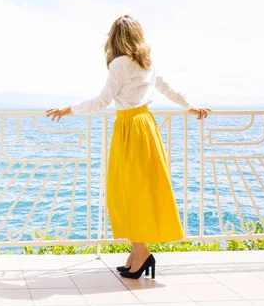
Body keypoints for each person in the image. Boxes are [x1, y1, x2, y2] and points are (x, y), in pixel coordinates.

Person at [45, 15, 210, 279]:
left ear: (115, 38)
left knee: (126, 192)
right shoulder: (147, 62)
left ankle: (141, 252)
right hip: (146, 126)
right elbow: (168, 89)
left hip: (129, 129)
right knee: (139, 191)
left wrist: (69, 109)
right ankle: (137, 252)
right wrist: (190, 106)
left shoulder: (120, 64)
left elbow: (102, 101)